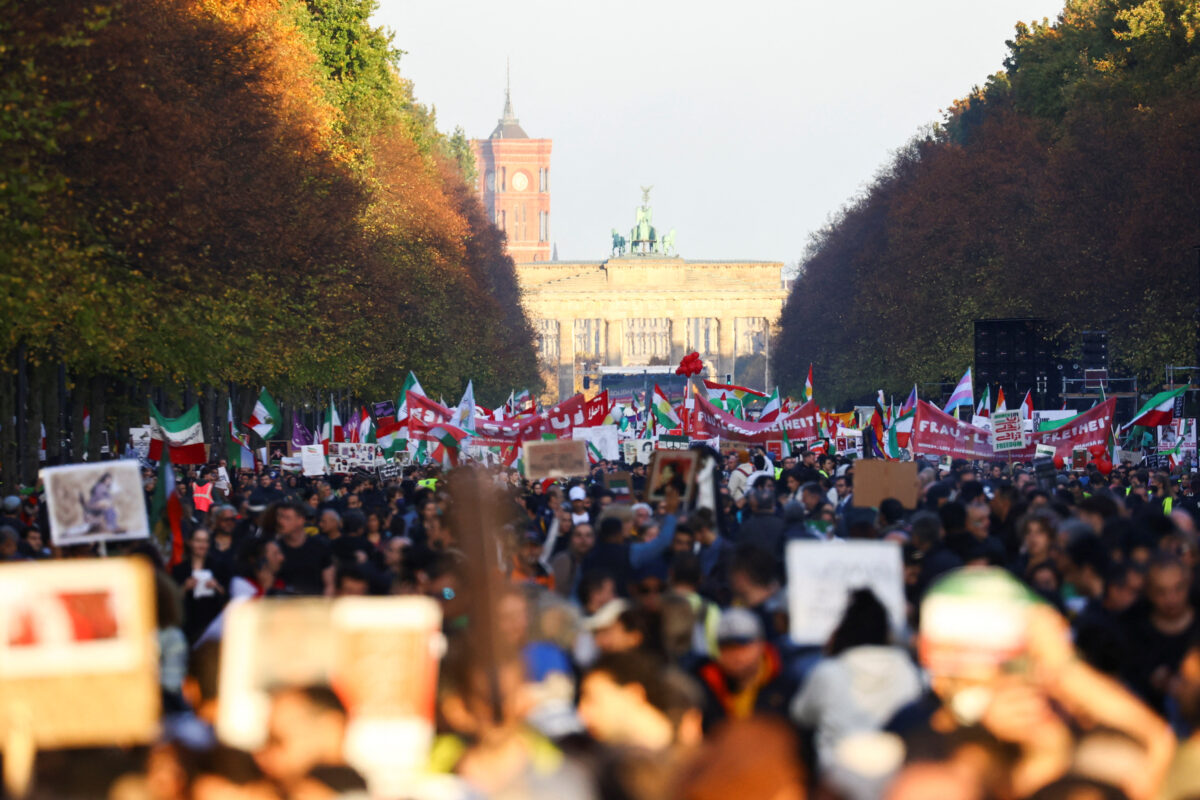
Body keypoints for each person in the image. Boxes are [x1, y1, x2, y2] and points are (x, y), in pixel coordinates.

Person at [692, 608, 796, 731]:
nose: (736, 655)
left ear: (760, 645)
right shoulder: (700, 687)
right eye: (726, 648)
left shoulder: (787, 682)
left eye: (743, 646)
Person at [273, 500, 333, 596]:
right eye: (280, 517)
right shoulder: (274, 548)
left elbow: (329, 584)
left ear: (300, 520)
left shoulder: (320, 546)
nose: (281, 522)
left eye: (287, 518)